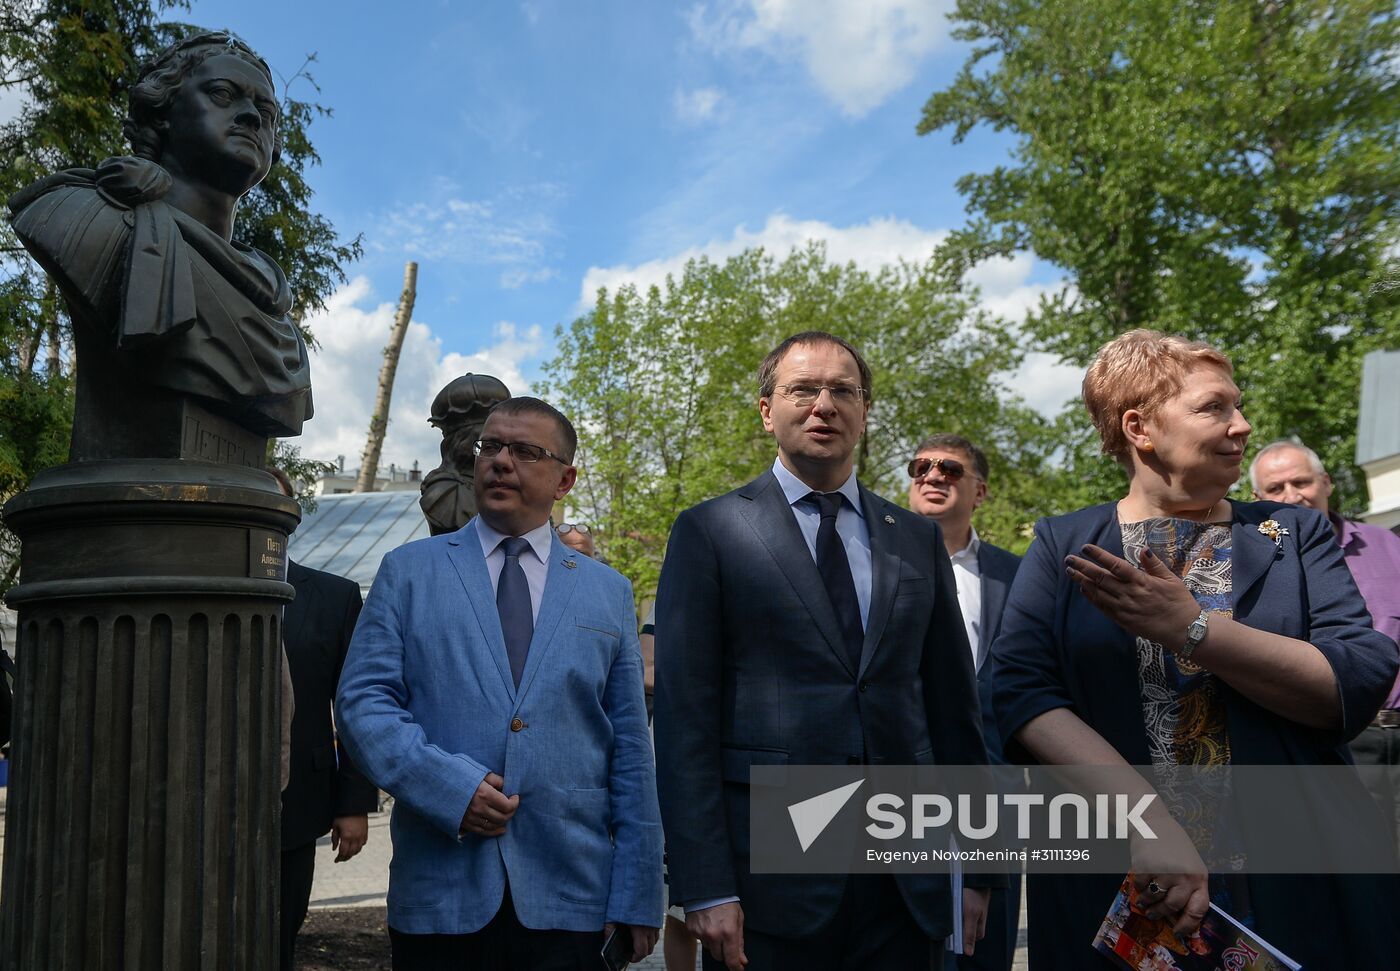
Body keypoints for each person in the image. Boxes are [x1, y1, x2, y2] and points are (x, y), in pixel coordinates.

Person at [988, 329, 1400, 970]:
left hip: (1295, 877)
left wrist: (1193, 630)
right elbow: (1017, 689)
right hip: (1125, 885)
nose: (1243, 425)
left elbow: (1359, 673)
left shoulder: (1293, 534)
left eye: (1239, 405)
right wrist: (1148, 825)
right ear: (1141, 428)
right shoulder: (1066, 544)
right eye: (1215, 408)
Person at [655, 331, 997, 970]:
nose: (824, 405)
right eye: (803, 390)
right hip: (770, 884)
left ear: (864, 411)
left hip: (906, 882)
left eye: (843, 391)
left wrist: (978, 869)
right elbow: (684, 724)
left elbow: (955, 713)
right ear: (767, 410)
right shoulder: (711, 530)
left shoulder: (914, 540)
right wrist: (704, 884)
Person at [336, 396, 663, 971]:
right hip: (442, 894)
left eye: (525, 451)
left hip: (572, 897)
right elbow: (363, 704)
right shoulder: (409, 571)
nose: (500, 461)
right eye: (491, 446)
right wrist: (448, 788)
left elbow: (631, 750)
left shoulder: (605, 591)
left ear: (566, 479)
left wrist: (637, 893)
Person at [8, 31, 312, 447]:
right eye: (223, 94)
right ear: (163, 112)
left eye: (265, 110)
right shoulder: (84, 222)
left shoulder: (272, 299)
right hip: (118, 505)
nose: (252, 118)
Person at [1250, 438, 1400, 850]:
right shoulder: (1263, 568)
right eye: (1276, 489)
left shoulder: (1386, 544)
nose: (1293, 496)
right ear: (1257, 499)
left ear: (1327, 482)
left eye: (1301, 481)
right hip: (1342, 742)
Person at [907, 433, 1022, 971]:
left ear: (980, 492)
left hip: (996, 800)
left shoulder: (1020, 576)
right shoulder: (871, 564)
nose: (932, 476)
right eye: (921, 467)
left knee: (986, 951)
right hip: (898, 797)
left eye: (949, 469)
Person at [269, 468, 378, 971]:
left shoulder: (334, 597)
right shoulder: (185, 589)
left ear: (291, 518)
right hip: (200, 801)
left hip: (298, 802)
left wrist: (354, 803)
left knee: (279, 931)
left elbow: (354, 704)